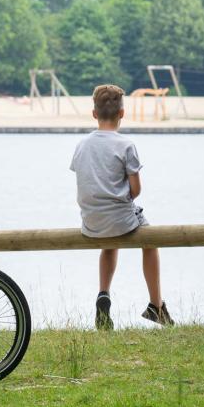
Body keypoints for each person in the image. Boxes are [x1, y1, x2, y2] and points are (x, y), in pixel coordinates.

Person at [70, 84, 173, 330]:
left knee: (109, 244)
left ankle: (103, 292)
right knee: (151, 241)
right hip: (119, 219)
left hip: (92, 221)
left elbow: (84, 179)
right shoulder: (126, 145)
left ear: (94, 114)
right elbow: (136, 190)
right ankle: (155, 305)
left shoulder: (82, 145)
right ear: (122, 114)